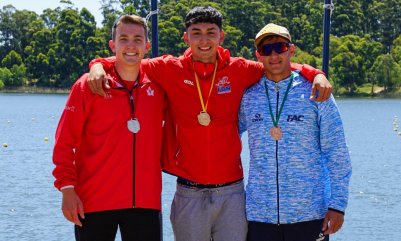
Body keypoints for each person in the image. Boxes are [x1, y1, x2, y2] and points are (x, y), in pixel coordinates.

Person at [87, 6, 332, 241]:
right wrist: (98, 64)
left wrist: (316, 73)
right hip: (189, 192)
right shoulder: (168, 68)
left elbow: (279, 64)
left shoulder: (240, 69)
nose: (204, 40)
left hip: (232, 193)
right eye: (196, 34)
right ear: (186, 37)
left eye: (210, 33)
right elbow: (129, 57)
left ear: (221, 36)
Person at [52, 15, 165, 241]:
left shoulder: (160, 83)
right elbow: (64, 143)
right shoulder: (88, 85)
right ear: (112, 45)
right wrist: (67, 189)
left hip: (145, 203)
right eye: (123, 39)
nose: (131, 46)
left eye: (137, 39)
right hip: (94, 202)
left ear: (147, 45)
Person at [238, 23, 352, 241]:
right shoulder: (248, 95)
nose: (273, 55)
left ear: (291, 49)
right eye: (266, 50)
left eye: (279, 47)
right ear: (258, 56)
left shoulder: (317, 91)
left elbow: (336, 151)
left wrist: (338, 205)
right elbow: (227, 136)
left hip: (310, 214)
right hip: (259, 215)